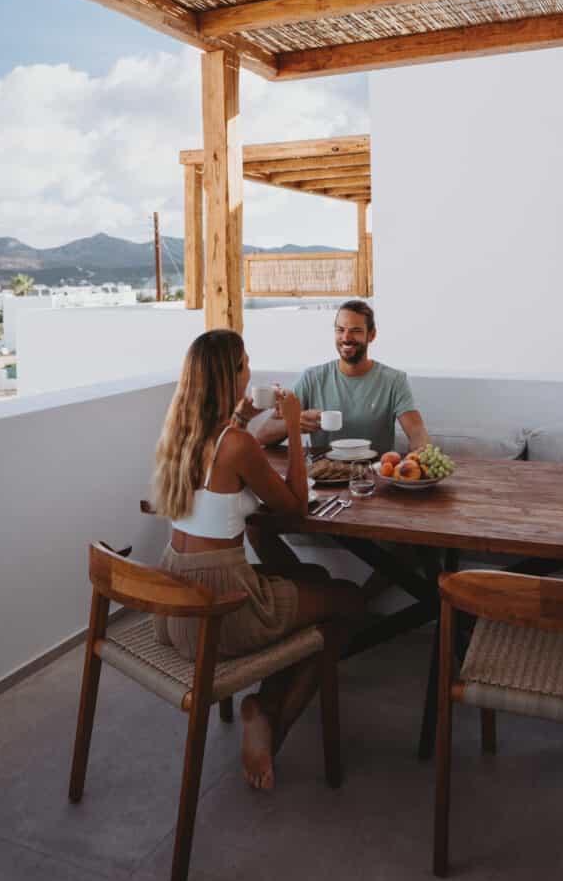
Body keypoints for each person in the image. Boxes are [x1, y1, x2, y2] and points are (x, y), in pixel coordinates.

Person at [151, 329, 364, 792]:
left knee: (308, 577)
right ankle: (268, 717)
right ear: (231, 375)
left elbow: (220, 488)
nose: (252, 370)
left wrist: (241, 418)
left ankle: (264, 705)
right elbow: (295, 507)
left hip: (175, 603)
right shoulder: (236, 444)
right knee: (347, 601)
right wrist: (290, 425)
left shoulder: (181, 432)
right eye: (245, 363)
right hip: (221, 612)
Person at [256, 300, 428, 456]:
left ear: (372, 335)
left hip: (373, 477)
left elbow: (417, 433)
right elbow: (263, 436)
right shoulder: (312, 378)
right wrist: (293, 423)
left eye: (355, 331)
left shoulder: (394, 380)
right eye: (340, 330)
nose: (346, 338)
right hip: (323, 475)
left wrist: (422, 453)